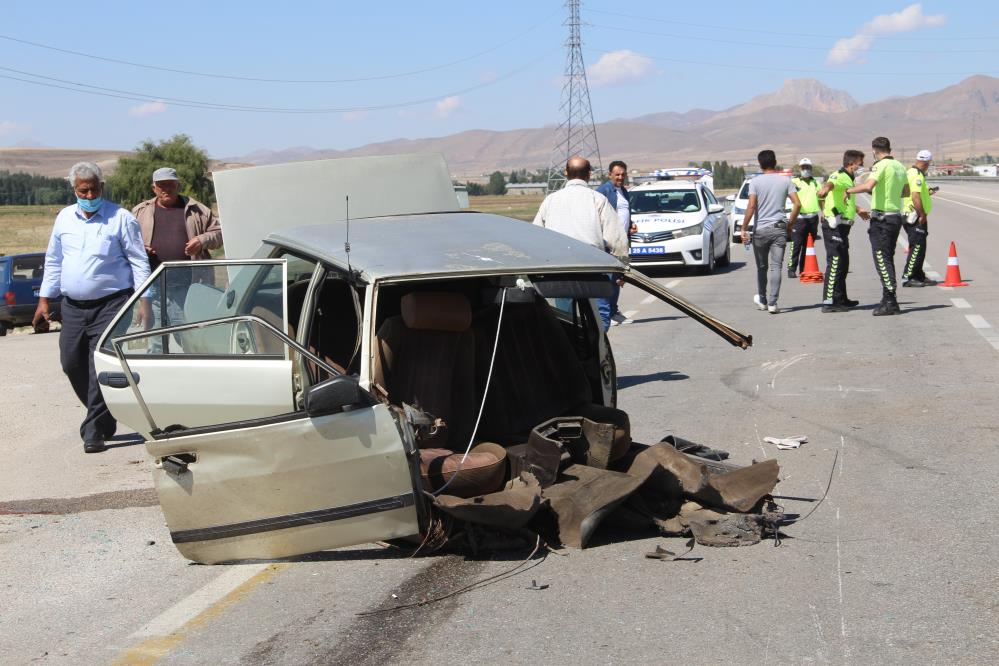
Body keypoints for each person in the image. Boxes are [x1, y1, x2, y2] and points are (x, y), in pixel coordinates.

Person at [33, 162, 151, 453]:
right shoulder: (64, 219)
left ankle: (94, 430)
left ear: (102, 187)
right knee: (70, 362)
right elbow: (54, 261)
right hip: (72, 306)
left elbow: (138, 261)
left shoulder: (120, 218)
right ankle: (105, 414)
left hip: (112, 303)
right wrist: (44, 300)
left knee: (98, 364)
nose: (88, 195)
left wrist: (145, 300)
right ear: (74, 190)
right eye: (82, 190)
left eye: (93, 189)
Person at [533, 156, 629, 330]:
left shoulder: (551, 200)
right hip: (592, 266)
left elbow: (536, 235)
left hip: (560, 267)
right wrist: (622, 267)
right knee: (599, 317)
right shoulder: (597, 199)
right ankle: (597, 349)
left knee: (565, 318)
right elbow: (617, 238)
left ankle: (571, 350)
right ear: (589, 174)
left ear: (566, 173)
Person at [131, 167, 223, 344]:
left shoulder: (197, 210)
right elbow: (126, 243)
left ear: (178, 185)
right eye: (161, 185)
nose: (166, 189)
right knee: (156, 343)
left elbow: (219, 234)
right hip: (152, 288)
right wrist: (140, 249)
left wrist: (202, 240)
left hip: (188, 287)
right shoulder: (140, 212)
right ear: (154, 188)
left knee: (188, 340)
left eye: (171, 185)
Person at [847, 137, 910, 316]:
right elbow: (905, 192)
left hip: (882, 219)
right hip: (895, 216)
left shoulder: (880, 166)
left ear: (874, 150)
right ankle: (887, 297)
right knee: (887, 258)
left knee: (882, 259)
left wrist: (848, 190)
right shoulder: (899, 166)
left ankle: (891, 301)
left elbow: (869, 184)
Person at [740, 150, 801, 314]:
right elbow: (797, 204)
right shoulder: (785, 181)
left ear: (760, 164)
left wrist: (744, 227)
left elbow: (752, 206)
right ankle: (773, 303)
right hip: (779, 228)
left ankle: (763, 300)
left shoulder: (755, 182)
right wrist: (790, 223)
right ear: (775, 162)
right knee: (776, 267)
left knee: (762, 267)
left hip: (760, 230)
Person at [816, 150, 869, 312]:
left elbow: (842, 198)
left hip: (843, 227)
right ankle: (829, 302)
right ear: (851, 164)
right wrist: (825, 191)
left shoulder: (849, 178)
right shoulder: (839, 175)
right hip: (835, 226)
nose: (862, 167)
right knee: (835, 263)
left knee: (843, 264)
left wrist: (858, 210)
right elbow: (830, 185)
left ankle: (841, 298)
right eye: (860, 163)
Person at [596, 160, 638, 325]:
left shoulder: (624, 192)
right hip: (608, 241)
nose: (620, 177)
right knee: (607, 277)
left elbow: (624, 213)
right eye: (617, 174)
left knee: (619, 277)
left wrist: (630, 226)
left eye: (623, 174)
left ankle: (614, 311)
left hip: (622, 241)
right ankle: (604, 314)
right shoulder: (603, 191)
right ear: (609, 174)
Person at [901, 150, 939, 287]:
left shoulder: (910, 172)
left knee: (920, 248)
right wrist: (922, 214)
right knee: (917, 248)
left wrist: (927, 192)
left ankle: (918, 275)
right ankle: (909, 277)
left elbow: (907, 192)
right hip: (915, 216)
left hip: (911, 213)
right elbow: (915, 196)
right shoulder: (917, 175)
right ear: (926, 162)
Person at [787, 158, 821, 278]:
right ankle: (791, 268)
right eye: (803, 167)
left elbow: (821, 199)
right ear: (799, 169)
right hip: (799, 218)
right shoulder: (794, 182)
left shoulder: (816, 183)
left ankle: (803, 268)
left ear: (811, 168)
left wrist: (825, 214)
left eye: (807, 167)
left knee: (808, 245)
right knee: (796, 244)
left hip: (813, 218)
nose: (805, 169)